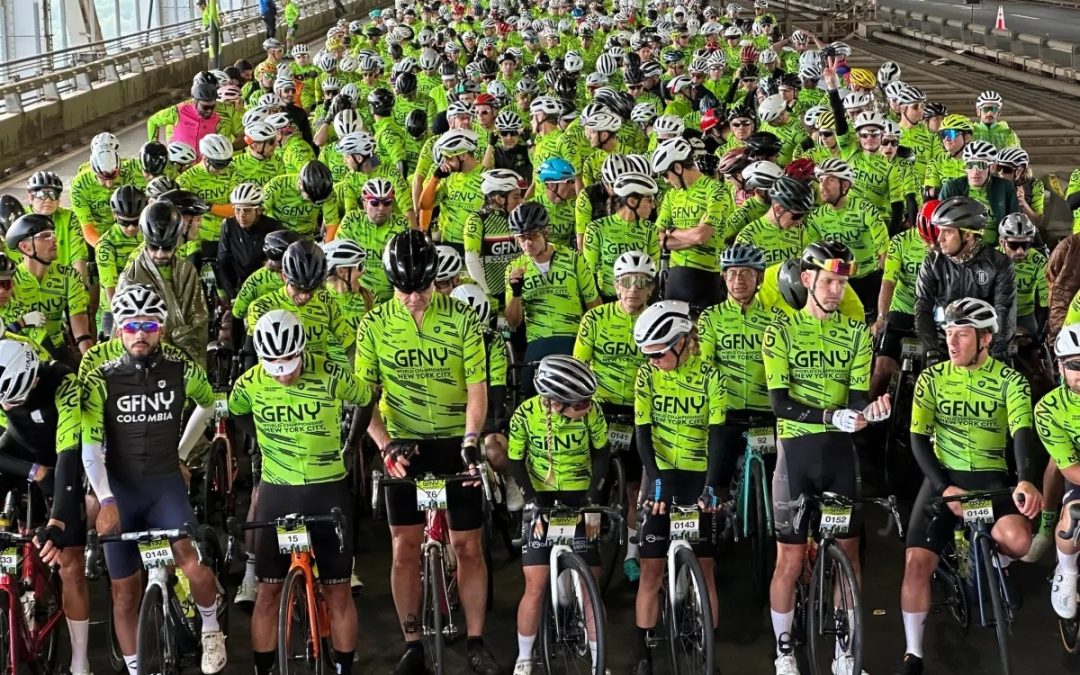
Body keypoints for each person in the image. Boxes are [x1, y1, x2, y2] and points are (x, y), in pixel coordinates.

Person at [353, 229, 499, 675]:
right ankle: (412, 643)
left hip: (455, 442)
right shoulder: (374, 325)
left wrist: (472, 439)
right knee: (404, 549)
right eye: (403, 289)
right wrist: (382, 445)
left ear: (436, 280)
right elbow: (364, 396)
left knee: (468, 547)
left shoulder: (462, 320)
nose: (413, 298)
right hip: (405, 443)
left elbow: (478, 389)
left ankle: (475, 639)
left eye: (421, 288)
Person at [80, 285, 226, 675]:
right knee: (123, 593)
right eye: (131, 325)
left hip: (164, 487)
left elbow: (208, 403)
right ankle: (133, 668)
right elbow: (90, 448)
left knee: (193, 566)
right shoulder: (100, 380)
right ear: (118, 330)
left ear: (160, 328)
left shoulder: (180, 368)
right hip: (122, 492)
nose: (139, 333)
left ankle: (211, 628)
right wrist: (106, 500)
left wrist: (180, 452)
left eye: (148, 325)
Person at [762, 241, 891, 675]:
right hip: (796, 456)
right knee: (790, 561)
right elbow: (780, 403)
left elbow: (855, 402)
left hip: (837, 455)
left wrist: (867, 413)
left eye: (843, 282)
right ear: (807, 279)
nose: (837, 290)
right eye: (830, 281)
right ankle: (783, 650)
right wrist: (828, 414)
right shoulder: (779, 331)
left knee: (849, 559)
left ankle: (844, 650)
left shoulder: (856, 332)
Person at [897, 298, 1041, 675]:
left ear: (986, 339)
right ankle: (913, 653)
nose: (952, 342)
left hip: (989, 478)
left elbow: (1022, 433)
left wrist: (1025, 477)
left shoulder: (1010, 381)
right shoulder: (931, 378)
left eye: (962, 333)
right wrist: (944, 489)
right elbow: (918, 440)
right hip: (943, 479)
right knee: (915, 565)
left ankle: (998, 559)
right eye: (948, 333)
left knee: (1020, 540)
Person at [230, 309, 374, 675]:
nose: (284, 374)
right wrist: (263, 441)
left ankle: (342, 668)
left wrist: (352, 443)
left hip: (328, 489)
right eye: (274, 367)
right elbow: (237, 412)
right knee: (267, 594)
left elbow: (365, 397)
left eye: (290, 363)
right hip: (278, 491)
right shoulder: (248, 383)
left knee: (338, 592)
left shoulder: (330, 372)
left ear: (303, 349)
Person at [630, 299, 726, 675]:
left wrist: (712, 485)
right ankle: (643, 654)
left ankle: (709, 655)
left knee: (706, 570)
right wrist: (654, 482)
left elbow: (717, 434)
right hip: (662, 474)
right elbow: (643, 433)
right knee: (651, 571)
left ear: (683, 342)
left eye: (658, 353)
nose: (653, 360)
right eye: (648, 355)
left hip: (698, 474)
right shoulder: (646, 376)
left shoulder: (710, 375)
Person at [508, 355, 609, 675]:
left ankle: (598, 660)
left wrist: (594, 495)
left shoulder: (593, 411)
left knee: (590, 586)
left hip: (580, 496)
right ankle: (524, 657)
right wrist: (530, 501)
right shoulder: (524, 414)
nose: (586, 408)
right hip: (540, 498)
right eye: (579, 404)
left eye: (588, 401)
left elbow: (602, 451)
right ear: (554, 402)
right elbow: (515, 461)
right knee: (535, 585)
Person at [0, 340, 91, 675]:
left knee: (70, 562)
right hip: (22, 455)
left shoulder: (62, 381)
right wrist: (31, 471)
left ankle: (80, 661)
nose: (8, 406)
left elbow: (68, 455)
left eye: (15, 400)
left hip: (64, 457)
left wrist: (58, 520)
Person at [574, 251, 655, 581]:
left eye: (641, 283)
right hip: (601, 410)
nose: (633, 289)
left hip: (640, 411)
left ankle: (633, 552)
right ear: (615, 286)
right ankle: (589, 546)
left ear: (651, 289)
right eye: (625, 282)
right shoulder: (594, 320)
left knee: (637, 489)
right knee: (594, 485)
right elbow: (579, 367)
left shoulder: (654, 319)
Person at [698, 243, 781, 497]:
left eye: (746, 273)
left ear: (760, 277)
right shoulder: (711, 317)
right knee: (717, 482)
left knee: (772, 482)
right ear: (724, 277)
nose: (738, 280)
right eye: (731, 274)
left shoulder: (776, 318)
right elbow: (705, 365)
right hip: (726, 412)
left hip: (765, 413)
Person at [505, 203, 602, 397]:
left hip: (573, 337)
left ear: (546, 232)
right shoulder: (514, 268)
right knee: (530, 390)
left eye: (532, 236)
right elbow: (513, 322)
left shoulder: (574, 259)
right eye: (521, 238)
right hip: (538, 339)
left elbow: (594, 305)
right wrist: (516, 294)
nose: (527, 243)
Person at [913, 196, 1015, 363]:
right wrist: (931, 350)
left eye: (947, 232)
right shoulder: (933, 262)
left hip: (984, 346)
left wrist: (993, 355)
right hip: (943, 343)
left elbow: (1004, 314)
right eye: (940, 230)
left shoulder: (1000, 264)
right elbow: (922, 307)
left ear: (967, 235)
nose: (939, 239)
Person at [117, 200, 209, 367]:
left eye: (166, 248)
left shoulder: (187, 269)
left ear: (176, 242)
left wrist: (175, 337)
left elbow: (199, 319)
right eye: (153, 247)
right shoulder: (130, 277)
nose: (159, 254)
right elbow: (127, 329)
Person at [651, 137, 728, 310]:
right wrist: (690, 236)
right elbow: (657, 238)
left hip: (708, 276)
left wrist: (672, 231)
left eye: (665, 174)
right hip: (676, 277)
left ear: (678, 168)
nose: (665, 181)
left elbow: (701, 236)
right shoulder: (671, 196)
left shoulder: (716, 190)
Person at [6, 214, 93, 367]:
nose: (54, 240)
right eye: (45, 236)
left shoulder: (69, 276)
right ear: (25, 247)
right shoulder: (9, 282)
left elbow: (81, 330)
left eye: (53, 234)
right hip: (17, 351)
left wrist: (90, 362)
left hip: (56, 346)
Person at [1038, 323, 1080, 622]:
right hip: (1078, 468)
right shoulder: (1049, 409)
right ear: (1060, 366)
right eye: (1077, 364)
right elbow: (1072, 470)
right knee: (1075, 515)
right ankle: (1066, 570)